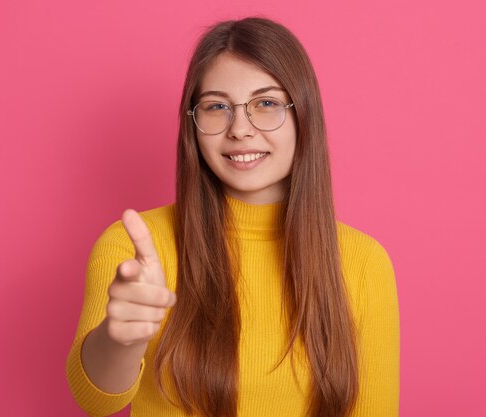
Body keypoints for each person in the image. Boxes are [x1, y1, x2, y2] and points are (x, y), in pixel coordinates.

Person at [66, 16, 399, 417]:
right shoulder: (134, 245)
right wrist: (121, 340)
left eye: (266, 103)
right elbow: (97, 400)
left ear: (303, 115)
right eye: (216, 107)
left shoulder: (364, 262)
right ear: (193, 124)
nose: (240, 129)